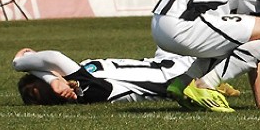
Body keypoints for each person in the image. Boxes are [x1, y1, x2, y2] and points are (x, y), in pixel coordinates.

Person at [13, 47, 194, 105]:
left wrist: (51, 78)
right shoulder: (87, 91)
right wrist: (18, 65)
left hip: (166, 59)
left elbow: (29, 54)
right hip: (183, 75)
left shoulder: (82, 68)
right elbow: (51, 57)